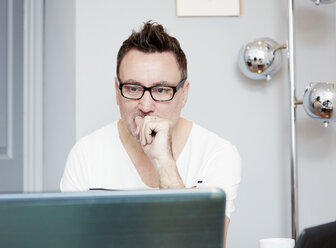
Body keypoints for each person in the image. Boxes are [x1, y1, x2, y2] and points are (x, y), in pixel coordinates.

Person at [60, 21, 241, 247]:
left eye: (161, 90)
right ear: (117, 92)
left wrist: (164, 162)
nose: (146, 105)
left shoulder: (217, 153)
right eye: (133, 88)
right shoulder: (85, 154)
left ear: (184, 94)